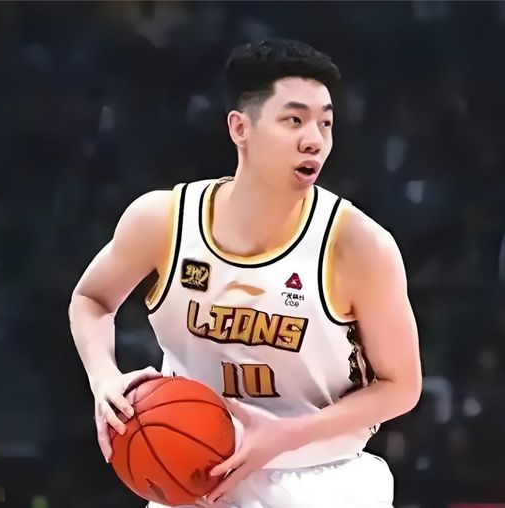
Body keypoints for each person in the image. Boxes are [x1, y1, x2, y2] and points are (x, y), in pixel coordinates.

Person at [69, 39, 422, 508]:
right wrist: (103, 378)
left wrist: (289, 434)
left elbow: (402, 386)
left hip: (318, 478)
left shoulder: (358, 245)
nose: (315, 139)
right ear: (240, 128)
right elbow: (91, 299)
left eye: (325, 123)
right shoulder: (164, 221)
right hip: (194, 476)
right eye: (294, 120)